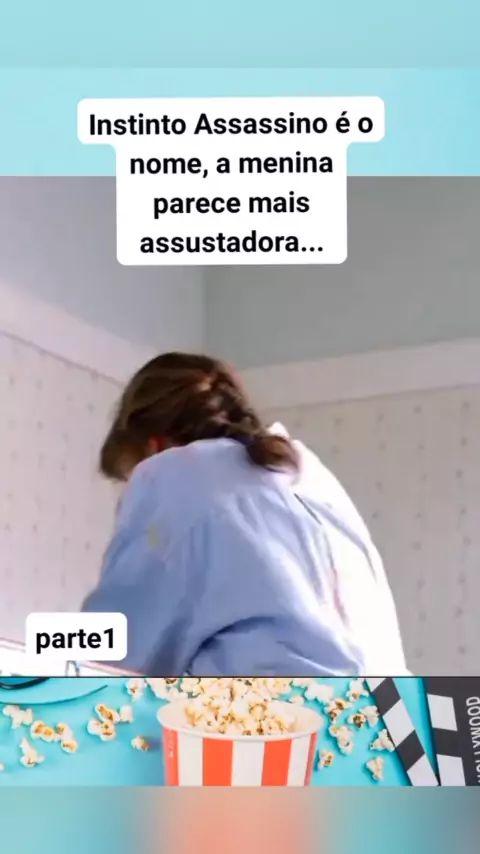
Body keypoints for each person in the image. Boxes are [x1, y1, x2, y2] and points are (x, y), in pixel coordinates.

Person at [82, 352, 407, 676]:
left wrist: (52, 642)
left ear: (154, 447)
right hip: (398, 703)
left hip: (291, 702)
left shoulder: (175, 474)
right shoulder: (307, 472)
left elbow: (111, 645)